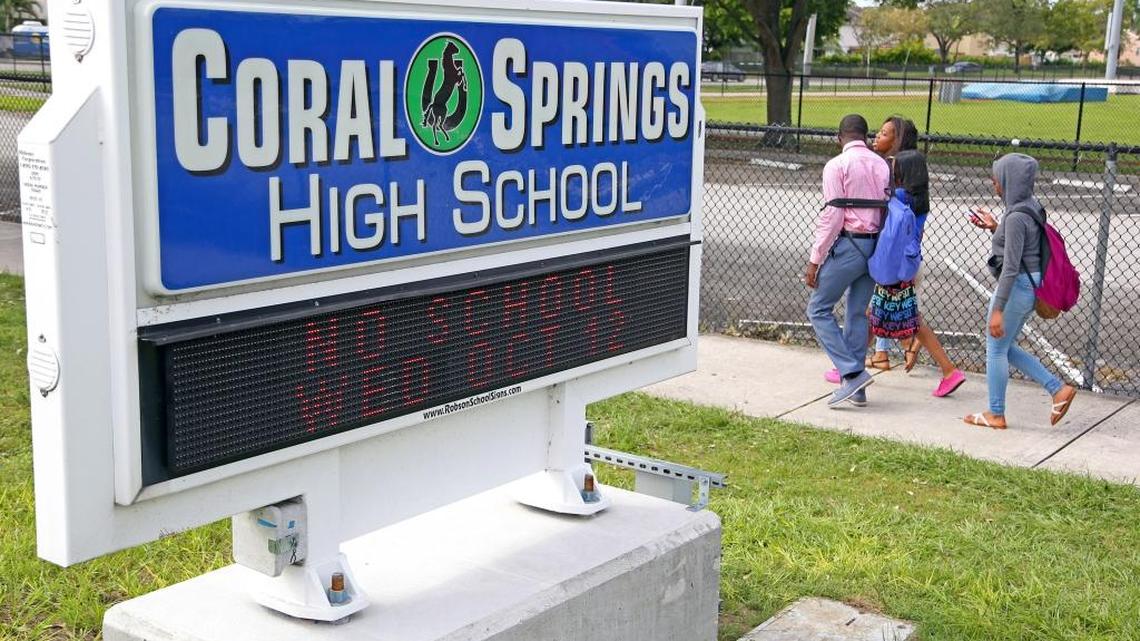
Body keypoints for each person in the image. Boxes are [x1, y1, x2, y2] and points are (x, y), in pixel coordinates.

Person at [965, 153, 1077, 429]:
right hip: (1031, 284)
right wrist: (995, 227)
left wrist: (998, 310)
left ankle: (996, 413)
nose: (994, 183)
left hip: (1017, 286)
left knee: (995, 348)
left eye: (998, 178)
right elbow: (1023, 248)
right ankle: (1057, 389)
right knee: (1005, 347)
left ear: (1010, 180)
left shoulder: (1015, 217)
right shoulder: (1030, 206)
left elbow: (1011, 268)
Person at [864, 115, 967, 398]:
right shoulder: (913, 202)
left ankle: (948, 370)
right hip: (905, 267)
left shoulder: (898, 206)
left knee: (904, 320)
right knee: (879, 315)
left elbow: (889, 241)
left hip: (895, 270)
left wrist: (880, 267)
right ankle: (853, 366)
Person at [806, 114, 890, 408]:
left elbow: (833, 215)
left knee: (818, 308)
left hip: (850, 245)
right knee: (856, 313)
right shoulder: (882, 164)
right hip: (876, 247)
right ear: (866, 136)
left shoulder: (837, 165)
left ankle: (852, 373)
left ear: (839, 136)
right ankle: (857, 389)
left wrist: (815, 260)